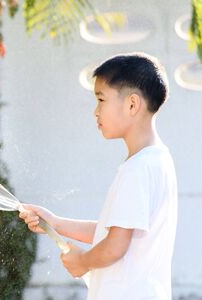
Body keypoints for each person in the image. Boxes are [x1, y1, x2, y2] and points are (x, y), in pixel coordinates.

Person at [19, 53, 178, 300]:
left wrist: (83, 261)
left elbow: (115, 246)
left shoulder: (137, 169)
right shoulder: (158, 161)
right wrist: (55, 223)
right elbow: (114, 234)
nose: (95, 111)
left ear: (132, 104)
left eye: (101, 99)